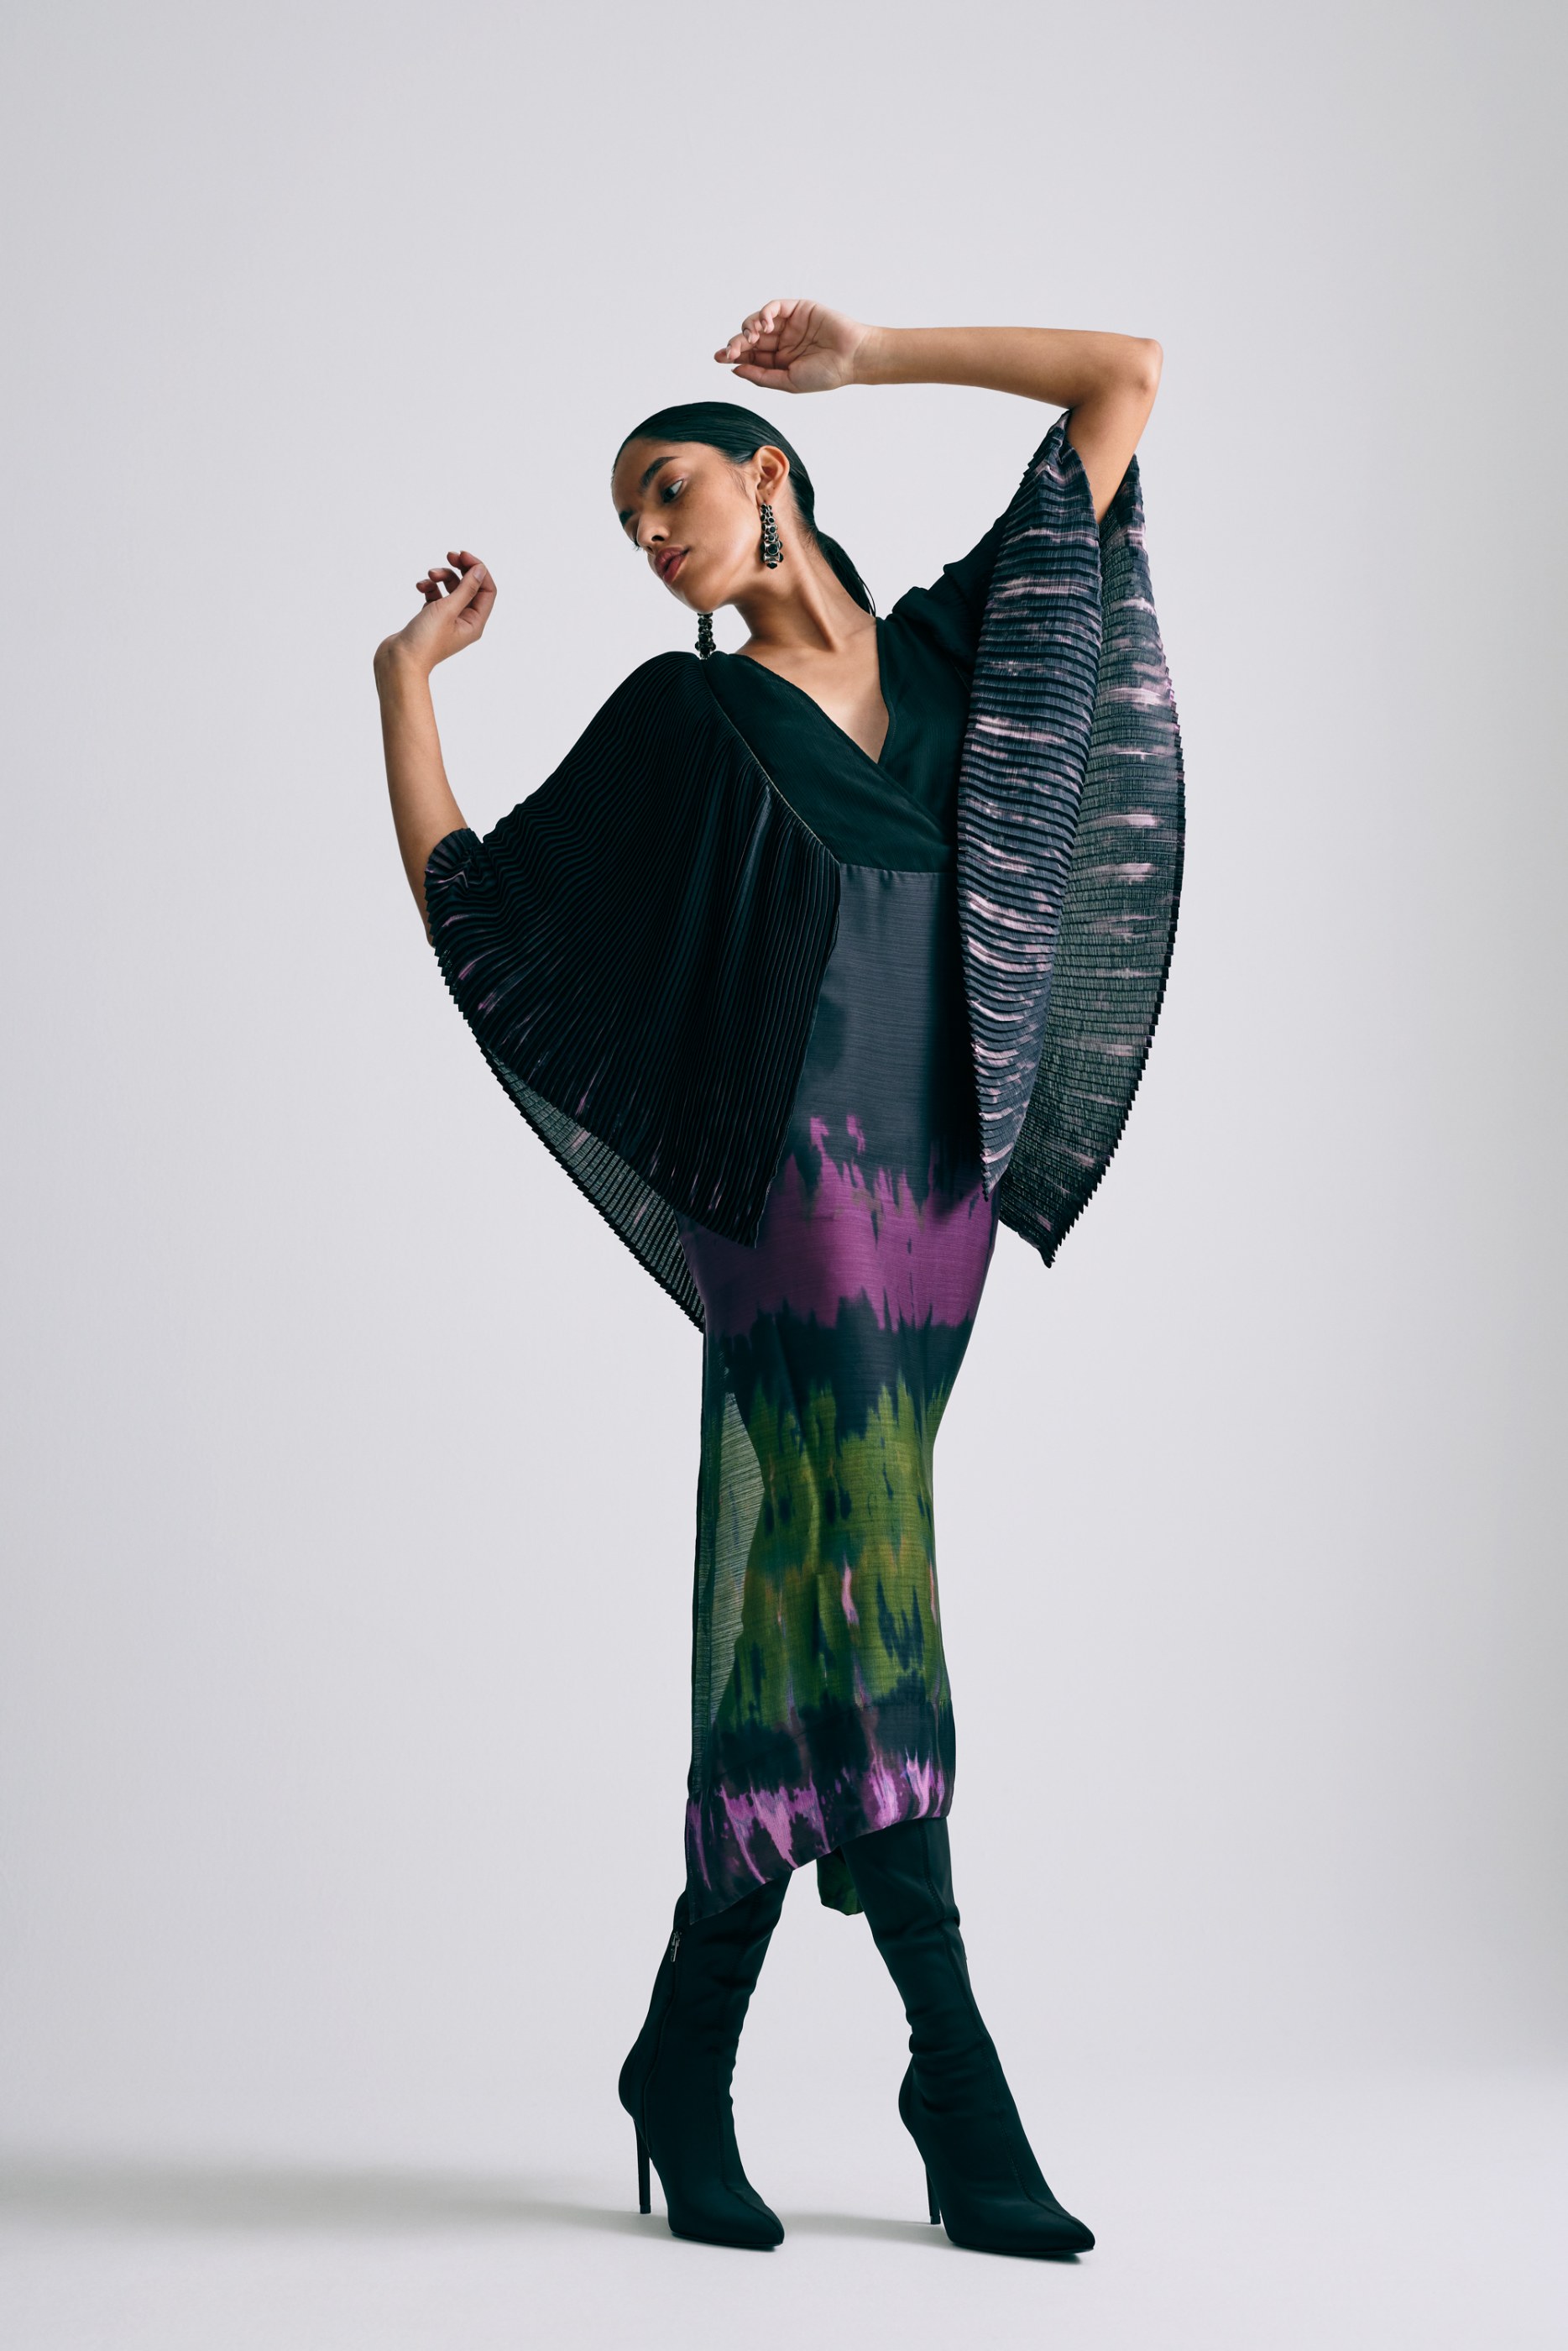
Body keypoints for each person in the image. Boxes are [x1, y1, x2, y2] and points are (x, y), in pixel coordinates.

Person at [373, 299, 1181, 2259]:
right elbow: (483, 913)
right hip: (791, 1186)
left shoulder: (948, 646)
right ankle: (953, 2069)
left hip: (941, 1180)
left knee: (819, 1590)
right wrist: (403, 678)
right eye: (630, 521)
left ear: (767, 477)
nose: (652, 535)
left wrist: (870, 346)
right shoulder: (686, 718)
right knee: (869, 1569)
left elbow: (1121, 378)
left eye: (673, 488)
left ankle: (686, 2037)